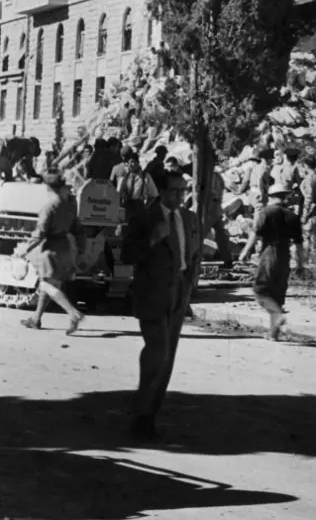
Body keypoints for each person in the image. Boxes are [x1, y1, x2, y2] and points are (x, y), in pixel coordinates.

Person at [121, 171, 200, 441]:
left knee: (169, 359)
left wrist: (189, 285)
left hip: (179, 292)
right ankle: (140, 412)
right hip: (153, 293)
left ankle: (148, 419)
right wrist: (153, 238)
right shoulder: (144, 218)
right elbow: (127, 254)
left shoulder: (189, 218)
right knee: (158, 353)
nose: (179, 196)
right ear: (162, 192)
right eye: (174, 191)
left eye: (182, 190)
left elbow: (195, 252)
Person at [19, 172, 84, 334]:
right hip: (65, 248)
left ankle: (74, 313)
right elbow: (77, 229)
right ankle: (36, 319)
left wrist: (24, 249)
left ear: (48, 188)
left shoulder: (49, 207)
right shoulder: (71, 204)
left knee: (47, 284)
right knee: (48, 284)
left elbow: (39, 233)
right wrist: (80, 250)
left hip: (50, 250)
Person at [238, 182, 303, 340]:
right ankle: (273, 333)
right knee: (278, 294)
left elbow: (255, 234)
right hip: (284, 255)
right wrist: (300, 264)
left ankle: (278, 316)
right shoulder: (292, 215)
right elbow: (300, 244)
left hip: (269, 253)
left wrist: (244, 252)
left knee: (261, 291)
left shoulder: (265, 212)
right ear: (284, 196)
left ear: (271, 197)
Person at [117, 150, 158, 220]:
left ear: (138, 162)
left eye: (132, 162)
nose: (130, 164)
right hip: (126, 206)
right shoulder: (124, 176)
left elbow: (154, 194)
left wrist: (146, 206)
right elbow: (118, 194)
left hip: (139, 206)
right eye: (128, 162)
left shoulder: (145, 176)